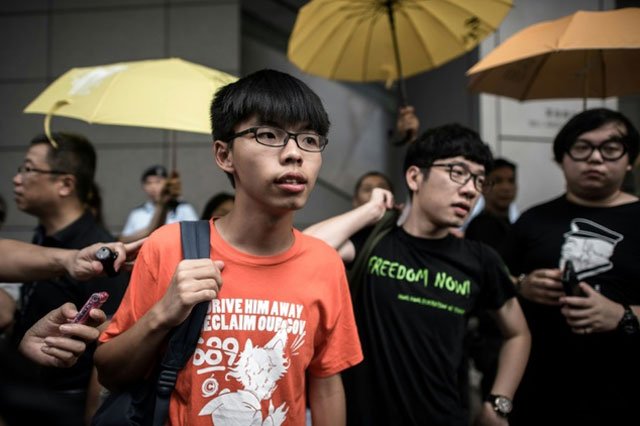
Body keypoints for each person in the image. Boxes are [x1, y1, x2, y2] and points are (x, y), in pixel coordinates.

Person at [95, 69, 363, 425]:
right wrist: (164, 314)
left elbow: (326, 385)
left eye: (310, 140)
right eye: (269, 134)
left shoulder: (324, 263)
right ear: (224, 155)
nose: (295, 154)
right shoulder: (170, 245)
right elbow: (109, 373)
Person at [304, 123, 531, 426]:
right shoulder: (376, 242)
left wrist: (498, 402)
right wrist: (369, 211)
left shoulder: (479, 259)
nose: (469, 189)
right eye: (457, 172)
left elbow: (518, 333)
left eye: (478, 180)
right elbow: (306, 250)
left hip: (445, 417)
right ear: (414, 177)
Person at [503, 108, 640, 426]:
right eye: (581, 148)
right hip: (541, 395)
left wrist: (622, 314)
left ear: (629, 159)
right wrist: (521, 284)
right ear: (561, 158)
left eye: (610, 148)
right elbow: (492, 283)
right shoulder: (532, 221)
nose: (595, 159)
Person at [11, 132, 130, 425]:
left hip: (64, 409)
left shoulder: (100, 255)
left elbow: (109, 345)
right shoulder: (44, 238)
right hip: (27, 399)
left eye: (28, 169)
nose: (17, 179)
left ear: (65, 184)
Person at [464, 158, 518, 411]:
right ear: (484, 187)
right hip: (489, 329)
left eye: (511, 181)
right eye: (498, 181)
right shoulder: (480, 227)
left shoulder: (515, 226)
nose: (506, 187)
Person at [119, 165, 198, 243]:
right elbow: (123, 239)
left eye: (158, 182)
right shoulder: (137, 213)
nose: (153, 187)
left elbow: (195, 234)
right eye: (148, 183)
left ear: (167, 184)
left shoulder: (183, 208)